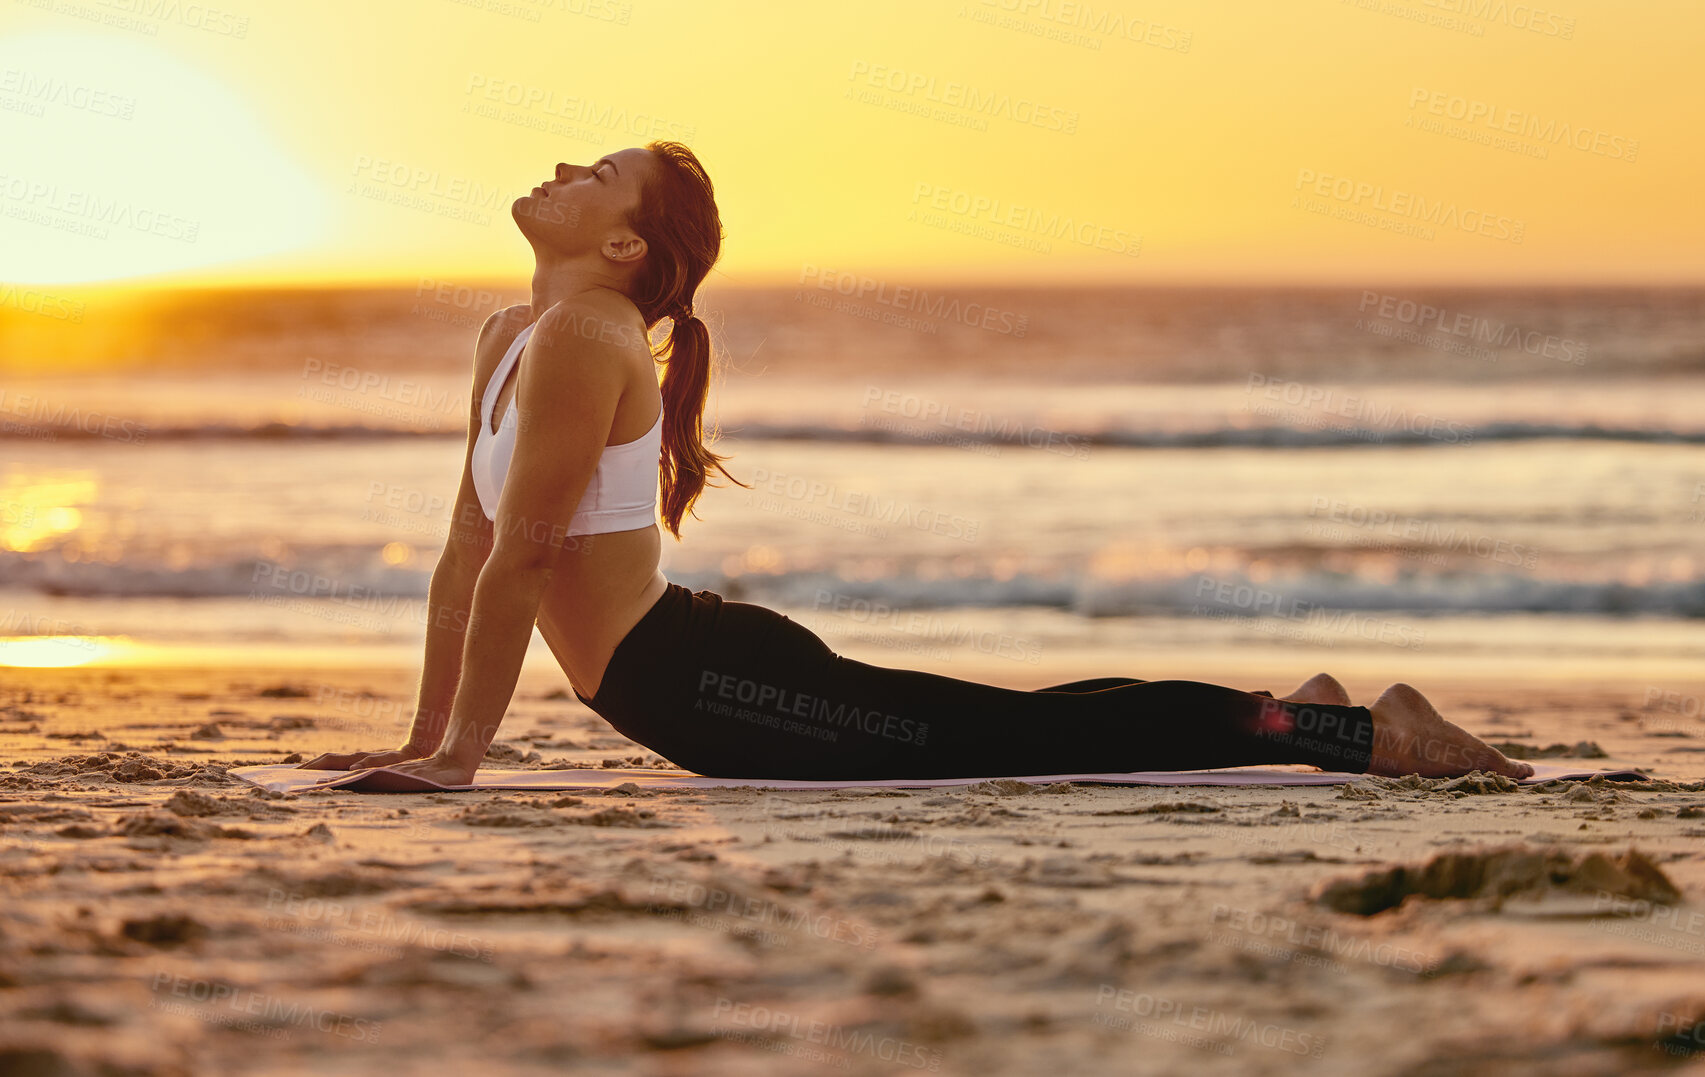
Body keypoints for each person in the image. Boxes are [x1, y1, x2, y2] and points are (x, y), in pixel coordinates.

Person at [301, 143, 1533, 786]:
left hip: (708, 684)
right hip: (685, 674)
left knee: (1020, 740)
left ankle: (1362, 732)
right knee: (1006, 726)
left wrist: (461, 758)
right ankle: (1299, 703)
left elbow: (525, 553)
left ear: (624, 243)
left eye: (601, 173)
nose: (566, 169)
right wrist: (421, 741)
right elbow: (470, 547)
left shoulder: (582, 333)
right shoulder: (512, 334)